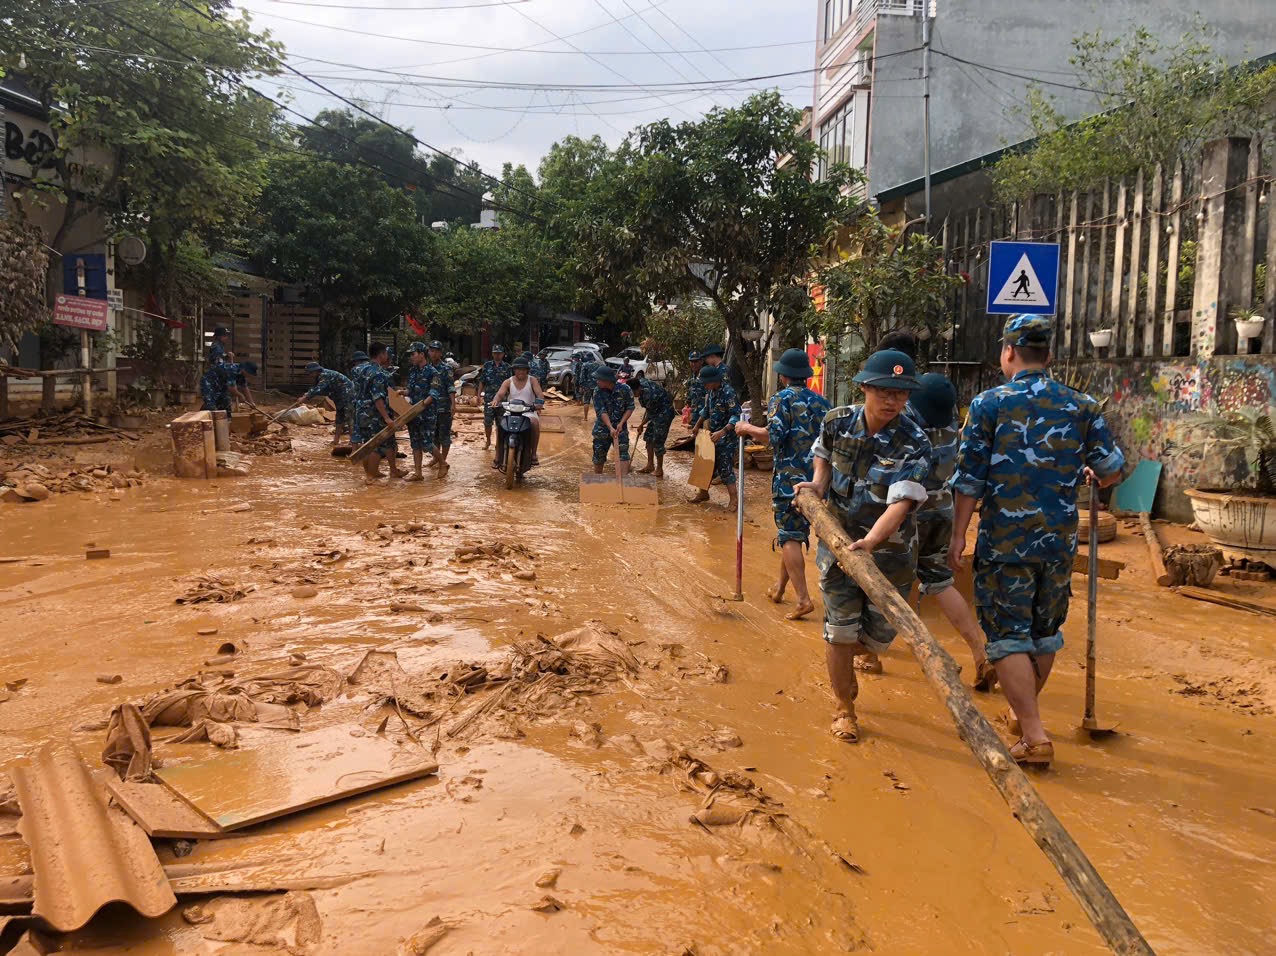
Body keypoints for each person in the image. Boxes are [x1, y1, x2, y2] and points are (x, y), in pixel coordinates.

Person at [950, 315, 1125, 767]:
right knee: (1043, 633)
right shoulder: (1082, 406)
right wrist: (1088, 471)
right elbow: (1112, 471)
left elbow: (968, 480)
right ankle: (1021, 714)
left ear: (1008, 351)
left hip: (1005, 542)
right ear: (1048, 356)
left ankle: (1034, 735)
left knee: (1008, 636)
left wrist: (958, 536)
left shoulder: (988, 404)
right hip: (1059, 543)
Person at [794, 350, 931, 743]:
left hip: (890, 554)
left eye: (901, 394)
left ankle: (853, 651)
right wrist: (817, 486)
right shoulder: (837, 421)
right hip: (837, 543)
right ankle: (844, 708)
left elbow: (901, 504)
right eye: (884, 391)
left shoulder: (915, 442)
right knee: (839, 630)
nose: (892, 400)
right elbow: (822, 457)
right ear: (865, 388)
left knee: (876, 636)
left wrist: (870, 541)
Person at [906, 373, 997, 691]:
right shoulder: (949, 425)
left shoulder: (906, 424)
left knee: (886, 580)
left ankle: (871, 655)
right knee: (940, 582)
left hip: (905, 510)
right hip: (943, 508)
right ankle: (981, 652)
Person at [734, 348, 830, 621]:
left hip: (790, 479)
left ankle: (803, 599)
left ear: (783, 375)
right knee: (793, 535)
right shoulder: (823, 402)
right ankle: (779, 588)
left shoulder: (782, 398)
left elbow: (772, 437)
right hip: (817, 479)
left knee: (789, 536)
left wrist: (746, 429)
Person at [352, 343, 403, 481]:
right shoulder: (378, 373)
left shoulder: (360, 370)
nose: (387, 356)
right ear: (381, 355)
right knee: (377, 446)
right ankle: (371, 476)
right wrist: (386, 417)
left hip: (360, 413)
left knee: (367, 444)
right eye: (385, 353)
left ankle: (370, 474)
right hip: (374, 415)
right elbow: (378, 398)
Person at [693, 364, 741, 511]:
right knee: (705, 463)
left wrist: (722, 432)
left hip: (727, 437)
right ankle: (703, 493)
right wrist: (697, 425)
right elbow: (706, 410)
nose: (704, 386)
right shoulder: (711, 392)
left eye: (706, 383)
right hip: (712, 434)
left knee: (725, 468)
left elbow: (736, 415)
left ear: (714, 380)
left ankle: (734, 500)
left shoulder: (728, 392)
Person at [489, 357, 545, 470]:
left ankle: (534, 454)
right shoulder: (508, 381)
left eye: (523, 369)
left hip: (528, 411)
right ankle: (497, 456)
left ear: (527, 370)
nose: (521, 372)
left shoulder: (532, 380)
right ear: (514, 370)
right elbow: (499, 394)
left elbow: (540, 395)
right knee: (500, 428)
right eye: (518, 369)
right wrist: (495, 401)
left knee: (535, 424)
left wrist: (538, 404)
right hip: (511, 411)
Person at [590, 366, 634, 478]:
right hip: (602, 428)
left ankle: (623, 482)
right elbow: (601, 411)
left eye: (599, 379)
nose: (597, 381)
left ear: (607, 380)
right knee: (599, 455)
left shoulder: (625, 389)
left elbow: (630, 407)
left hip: (620, 428)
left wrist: (621, 423)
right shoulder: (597, 391)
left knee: (623, 454)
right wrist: (610, 427)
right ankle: (598, 480)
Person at [403, 342, 438, 482]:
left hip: (427, 413)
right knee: (415, 443)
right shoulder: (413, 371)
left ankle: (443, 463)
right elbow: (410, 390)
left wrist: (422, 405)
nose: (411, 357)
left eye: (413, 354)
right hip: (413, 413)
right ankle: (418, 473)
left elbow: (433, 393)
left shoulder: (432, 372)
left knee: (427, 443)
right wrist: (402, 393)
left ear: (422, 354)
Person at [630, 374, 675, 478]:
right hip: (656, 410)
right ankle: (650, 465)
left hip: (664, 413)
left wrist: (641, 425)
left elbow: (650, 414)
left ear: (638, 389)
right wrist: (641, 425)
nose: (633, 396)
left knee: (658, 440)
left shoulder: (649, 396)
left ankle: (659, 469)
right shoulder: (640, 383)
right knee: (648, 437)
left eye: (633, 393)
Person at [301, 361, 355, 447]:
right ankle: (336, 440)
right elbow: (315, 387)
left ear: (315, 371)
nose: (309, 375)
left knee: (349, 417)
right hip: (338, 396)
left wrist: (307, 397)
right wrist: (306, 394)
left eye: (310, 373)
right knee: (339, 417)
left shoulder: (325, 375)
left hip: (347, 395)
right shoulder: (319, 377)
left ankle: (353, 441)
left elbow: (319, 389)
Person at [429, 341, 455, 477]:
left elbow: (450, 386)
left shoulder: (446, 369)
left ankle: (443, 461)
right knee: (433, 435)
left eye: (436, 351)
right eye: (432, 351)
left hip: (444, 407)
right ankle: (436, 458)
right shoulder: (427, 368)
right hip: (430, 407)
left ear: (440, 353)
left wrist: (453, 404)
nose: (434, 354)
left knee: (444, 435)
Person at [478, 345, 512, 450]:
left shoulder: (507, 367)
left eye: (499, 353)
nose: (497, 355)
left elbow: (511, 383)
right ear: (492, 354)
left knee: (501, 423)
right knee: (487, 422)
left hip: (502, 400)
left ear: (503, 354)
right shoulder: (487, 366)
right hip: (489, 399)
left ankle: (499, 443)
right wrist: (478, 395)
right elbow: (482, 381)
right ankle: (488, 440)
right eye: (495, 353)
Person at [580, 355, 605, 421]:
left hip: (587, 386)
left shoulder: (584, 365)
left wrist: (581, 386)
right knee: (597, 402)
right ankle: (598, 417)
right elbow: (600, 375)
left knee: (586, 401)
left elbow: (582, 377)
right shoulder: (598, 365)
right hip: (596, 386)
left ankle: (585, 417)